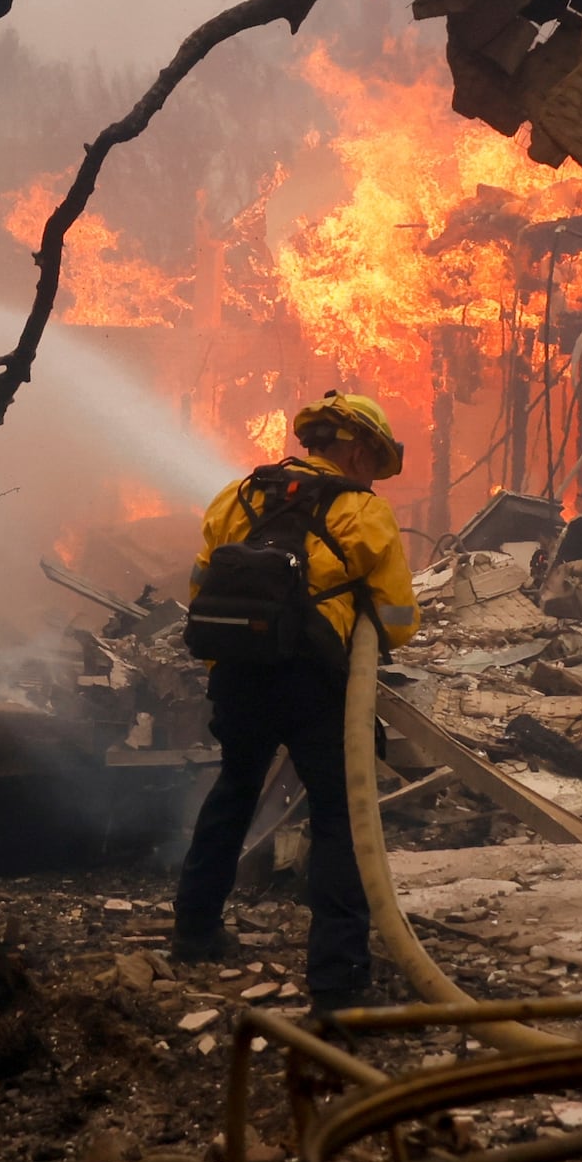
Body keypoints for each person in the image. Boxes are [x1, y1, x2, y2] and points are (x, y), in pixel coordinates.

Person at [171, 391, 420, 1011]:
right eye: (375, 460)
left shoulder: (237, 496)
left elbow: (202, 587)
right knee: (341, 815)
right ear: (358, 449)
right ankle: (338, 982)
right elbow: (396, 621)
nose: (373, 473)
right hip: (315, 683)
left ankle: (194, 931)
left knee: (234, 789)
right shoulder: (363, 513)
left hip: (239, 674)